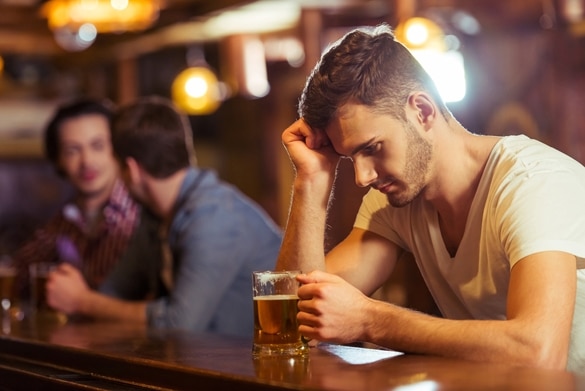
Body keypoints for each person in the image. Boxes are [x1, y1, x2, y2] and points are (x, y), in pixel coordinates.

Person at [276, 23, 585, 372]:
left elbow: (540, 353)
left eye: (373, 148)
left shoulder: (532, 183)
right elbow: (297, 319)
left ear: (422, 111)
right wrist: (311, 181)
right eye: (351, 159)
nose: (362, 177)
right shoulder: (396, 199)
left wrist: (371, 320)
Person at [47, 96, 282, 337]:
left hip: (265, 368)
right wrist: (90, 301)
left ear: (132, 169)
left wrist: (83, 301)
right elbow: (114, 291)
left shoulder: (215, 218)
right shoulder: (155, 214)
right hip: (205, 365)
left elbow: (179, 324)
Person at [12, 98, 143, 299]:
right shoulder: (64, 221)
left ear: (118, 149)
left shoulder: (143, 216)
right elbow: (16, 275)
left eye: (97, 146)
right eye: (72, 150)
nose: (87, 161)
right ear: (59, 161)